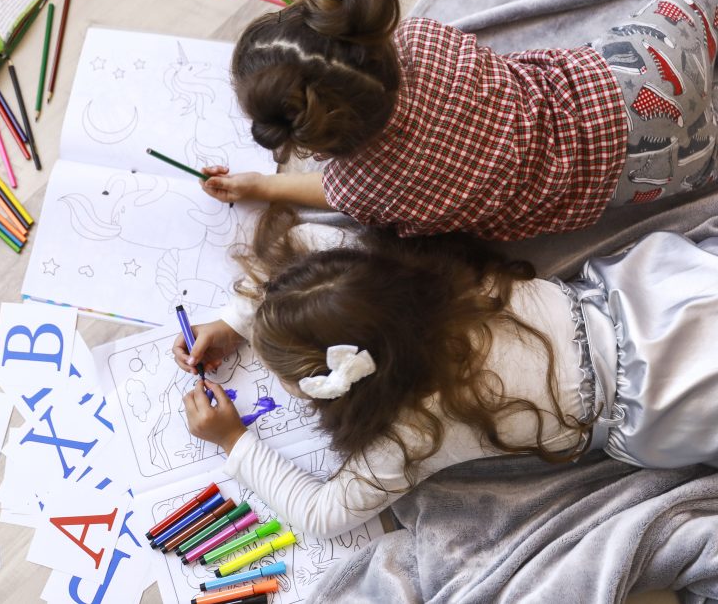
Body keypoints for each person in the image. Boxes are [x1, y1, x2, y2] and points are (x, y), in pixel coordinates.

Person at [173, 206, 718, 537]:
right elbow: (311, 244)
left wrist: (234, 440)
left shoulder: (411, 435)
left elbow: (321, 515)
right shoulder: (416, 276)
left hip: (670, 398)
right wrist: (237, 320)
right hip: (661, 298)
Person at [200, 0, 718, 240]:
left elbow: (329, 192)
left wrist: (264, 188)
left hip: (649, 174)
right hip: (638, 73)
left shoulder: (365, 190)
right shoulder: (425, 40)